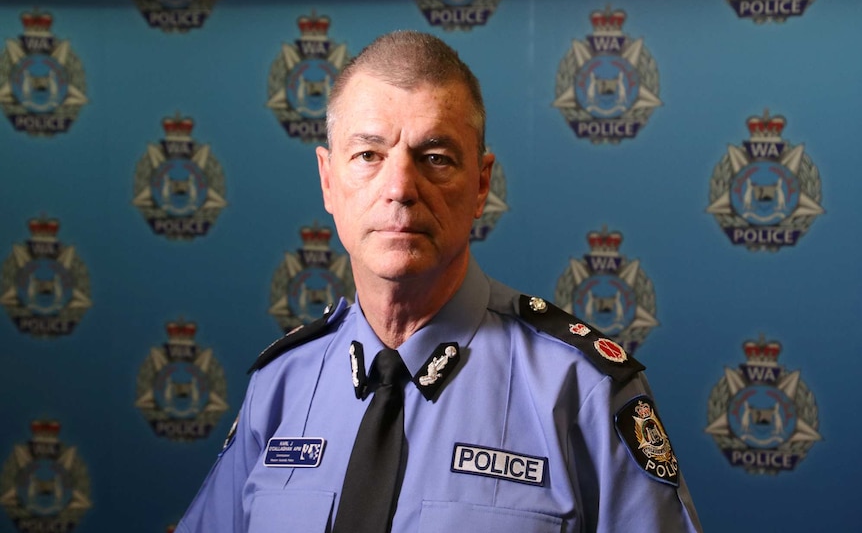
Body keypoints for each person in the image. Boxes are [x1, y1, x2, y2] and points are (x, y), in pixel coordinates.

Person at [176, 30, 702, 533]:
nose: (401, 187)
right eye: (368, 155)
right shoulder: (281, 385)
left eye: (435, 158)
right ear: (328, 181)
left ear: (480, 184)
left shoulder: (583, 388)